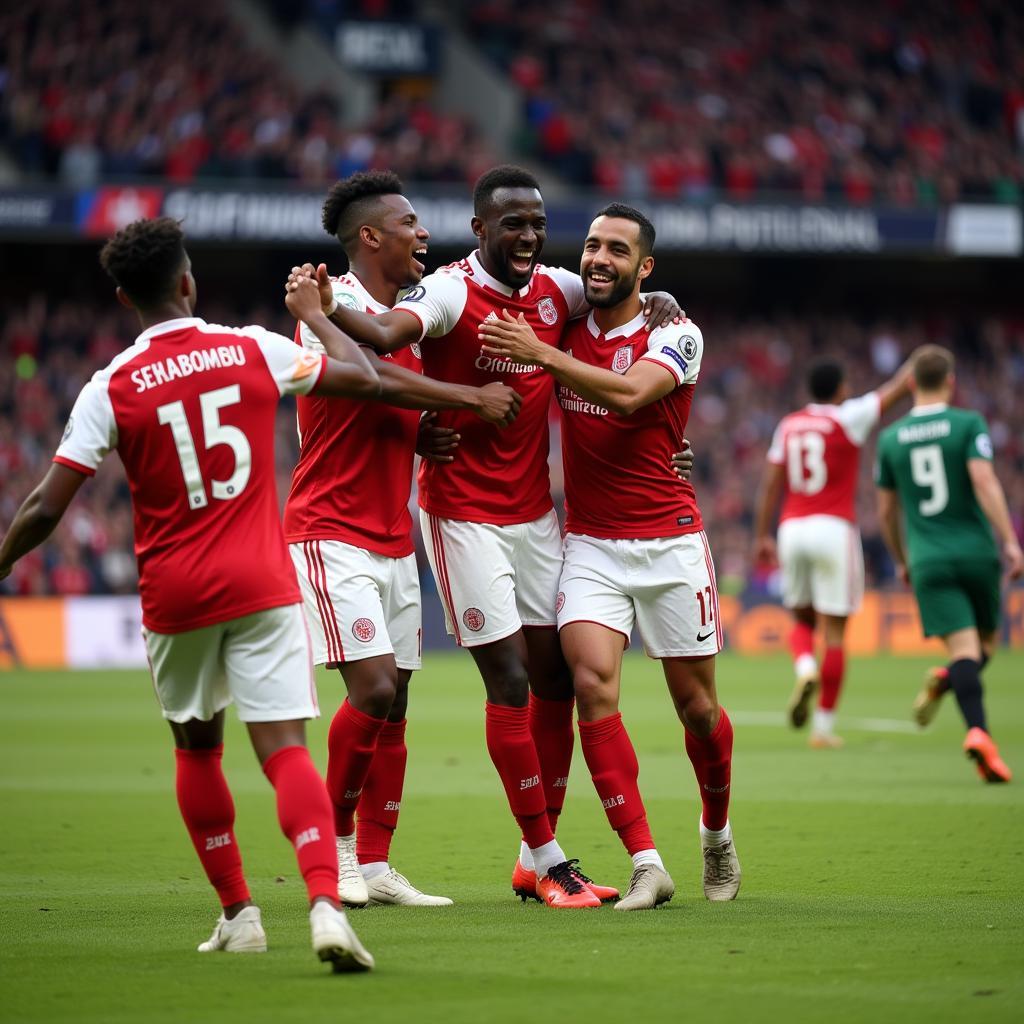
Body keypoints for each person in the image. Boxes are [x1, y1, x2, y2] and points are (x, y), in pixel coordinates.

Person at [288, 164, 684, 909]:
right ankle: (543, 855)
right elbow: (374, 361)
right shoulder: (438, 293)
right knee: (489, 681)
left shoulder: (558, 290)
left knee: (549, 681)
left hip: (531, 516)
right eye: (513, 224)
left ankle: (398, 861)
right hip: (454, 515)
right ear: (482, 231)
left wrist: (659, 302)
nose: (530, 235)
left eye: (538, 223)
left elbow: (612, 294)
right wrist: (326, 308)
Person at [0, 218, 380, 971]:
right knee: (283, 754)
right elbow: (364, 377)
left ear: (122, 296)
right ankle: (327, 905)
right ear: (188, 282)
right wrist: (322, 318)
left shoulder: (109, 385)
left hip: (176, 594)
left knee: (197, 748)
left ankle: (240, 913)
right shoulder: (254, 347)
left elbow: (46, 505)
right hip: (264, 584)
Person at [478, 203, 739, 910]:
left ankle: (715, 832)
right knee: (591, 686)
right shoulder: (560, 321)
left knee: (698, 711)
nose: (599, 258)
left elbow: (629, 396)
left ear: (644, 268)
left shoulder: (676, 332)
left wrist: (545, 356)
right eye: (591, 245)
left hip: (672, 545)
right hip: (589, 544)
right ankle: (648, 862)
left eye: (617, 250)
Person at [284, 172, 521, 908]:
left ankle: (379, 866)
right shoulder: (329, 307)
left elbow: (392, 397)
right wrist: (465, 398)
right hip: (331, 530)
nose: (425, 234)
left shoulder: (401, 315)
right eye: (410, 223)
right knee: (375, 687)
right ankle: (338, 850)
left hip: (392, 534)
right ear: (371, 237)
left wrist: (427, 434)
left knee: (398, 704)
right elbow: (368, 379)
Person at [875, 345, 1022, 782]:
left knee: (966, 652)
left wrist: (902, 560)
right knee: (986, 649)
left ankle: (966, 710)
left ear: (911, 384)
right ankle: (976, 728)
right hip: (976, 552)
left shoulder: (891, 438)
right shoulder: (968, 423)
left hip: (928, 560)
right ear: (951, 381)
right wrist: (1011, 541)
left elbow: (885, 512)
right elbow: (984, 481)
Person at [752, 354, 915, 748]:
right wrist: (917, 364)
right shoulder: (848, 416)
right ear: (841, 388)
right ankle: (823, 729)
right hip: (833, 528)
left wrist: (762, 535)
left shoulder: (788, 425)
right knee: (836, 634)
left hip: (792, 529)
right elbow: (894, 391)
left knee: (802, 621)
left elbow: (771, 484)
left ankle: (805, 666)